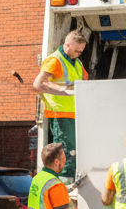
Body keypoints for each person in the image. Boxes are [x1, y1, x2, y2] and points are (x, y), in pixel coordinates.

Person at [32, 30, 89, 179]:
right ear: (67, 45)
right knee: (67, 156)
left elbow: (84, 83)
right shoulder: (55, 60)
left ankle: (69, 187)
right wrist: (62, 91)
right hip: (61, 116)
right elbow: (38, 83)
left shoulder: (77, 62)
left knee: (74, 154)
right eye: (76, 50)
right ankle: (65, 189)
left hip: (74, 115)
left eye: (81, 51)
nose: (78, 53)